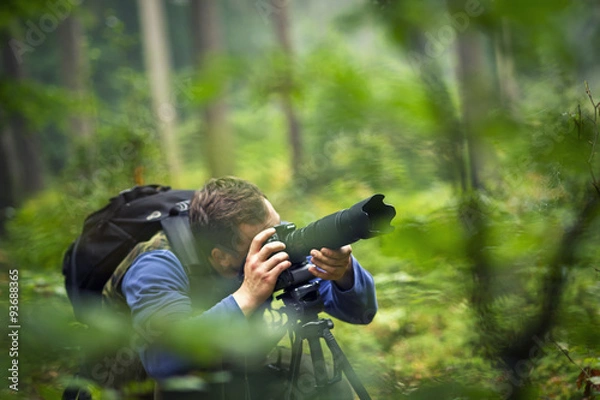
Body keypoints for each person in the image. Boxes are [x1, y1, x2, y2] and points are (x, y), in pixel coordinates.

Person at [102, 176, 377, 399]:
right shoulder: (157, 264)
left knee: (322, 379)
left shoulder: (270, 241)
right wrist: (246, 295)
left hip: (232, 360)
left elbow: (360, 312)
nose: (276, 243)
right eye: (262, 242)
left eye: (277, 229)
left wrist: (343, 273)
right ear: (220, 257)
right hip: (142, 386)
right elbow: (164, 360)